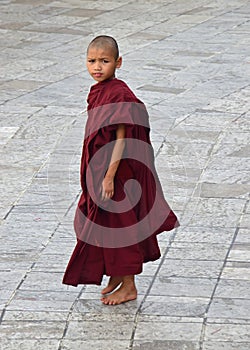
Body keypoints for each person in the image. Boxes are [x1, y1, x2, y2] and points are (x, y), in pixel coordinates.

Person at [63, 35, 179, 305]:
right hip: (99, 172)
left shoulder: (120, 94)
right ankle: (116, 274)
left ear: (118, 62)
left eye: (104, 61)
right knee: (99, 223)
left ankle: (129, 285)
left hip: (118, 175)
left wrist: (109, 177)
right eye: (92, 61)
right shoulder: (99, 90)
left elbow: (122, 139)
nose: (97, 67)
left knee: (120, 227)